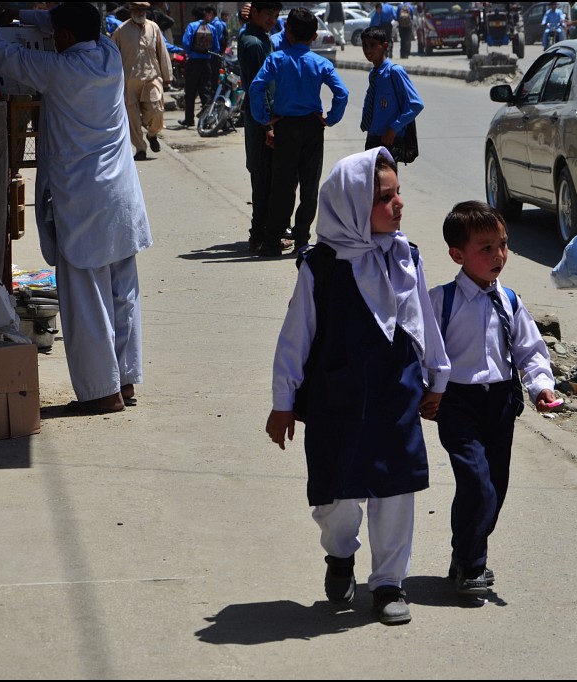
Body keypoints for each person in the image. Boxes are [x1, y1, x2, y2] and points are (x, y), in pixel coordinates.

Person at [265, 147, 450, 625]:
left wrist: (438, 376)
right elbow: (296, 336)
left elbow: (422, 322)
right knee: (337, 498)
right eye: (384, 198)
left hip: (396, 392)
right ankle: (339, 555)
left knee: (395, 489)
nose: (398, 204)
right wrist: (283, 402)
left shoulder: (406, 255)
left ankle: (389, 583)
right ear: (350, 206)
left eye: (397, 194)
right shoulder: (321, 267)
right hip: (337, 399)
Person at [0, 2, 152, 414]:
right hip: (121, 199)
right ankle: (125, 382)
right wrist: (22, 12)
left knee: (85, 297)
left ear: (65, 37)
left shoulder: (59, 70)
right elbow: (67, 23)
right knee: (123, 294)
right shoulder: (108, 54)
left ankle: (101, 393)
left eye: (57, 32)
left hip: (84, 201)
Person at [430, 200, 559, 595]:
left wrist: (540, 387)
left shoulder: (510, 301)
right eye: (485, 248)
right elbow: (426, 352)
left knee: (495, 487)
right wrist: (426, 391)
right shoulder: (442, 301)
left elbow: (529, 352)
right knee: (476, 482)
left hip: (501, 403)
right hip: (457, 402)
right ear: (458, 254)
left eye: (502, 244)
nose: (498, 255)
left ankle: (465, 553)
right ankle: (472, 565)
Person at [247, 7, 349, 257]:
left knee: (282, 184)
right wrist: (330, 119)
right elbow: (342, 93)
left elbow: (256, 88)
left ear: (288, 32)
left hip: (285, 126)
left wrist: (265, 118)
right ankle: (302, 239)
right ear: (314, 36)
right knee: (309, 184)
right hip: (312, 127)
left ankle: (272, 241)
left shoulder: (276, 59)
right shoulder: (321, 63)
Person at [238, 2, 282, 254]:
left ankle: (264, 231)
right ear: (254, 12)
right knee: (263, 177)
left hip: (265, 116)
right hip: (261, 118)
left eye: (275, 15)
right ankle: (258, 234)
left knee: (268, 176)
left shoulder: (260, 37)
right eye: (268, 14)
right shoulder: (254, 43)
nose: (272, 20)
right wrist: (267, 125)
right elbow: (258, 87)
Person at [112, 2, 173, 161]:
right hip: (129, 81)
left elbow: (162, 52)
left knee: (157, 111)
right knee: (133, 119)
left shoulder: (154, 28)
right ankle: (140, 149)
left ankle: (152, 134)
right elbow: (112, 56)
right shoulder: (121, 31)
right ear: (131, 10)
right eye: (137, 9)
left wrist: (167, 76)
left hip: (152, 79)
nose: (140, 12)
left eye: (143, 10)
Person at [359, 27, 423, 159]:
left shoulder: (395, 72)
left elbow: (416, 104)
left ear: (384, 46)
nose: (368, 50)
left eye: (372, 45)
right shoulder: (374, 74)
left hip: (388, 140)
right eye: (364, 45)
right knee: (371, 179)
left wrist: (394, 128)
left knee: (386, 179)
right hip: (372, 138)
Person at [177, 7, 220, 127]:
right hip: (207, 63)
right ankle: (206, 120)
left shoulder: (191, 26)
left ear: (194, 16)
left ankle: (189, 119)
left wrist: (191, 53)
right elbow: (216, 47)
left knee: (190, 91)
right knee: (205, 91)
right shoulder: (211, 28)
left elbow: (185, 43)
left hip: (193, 63)